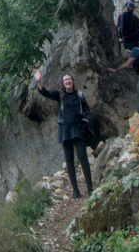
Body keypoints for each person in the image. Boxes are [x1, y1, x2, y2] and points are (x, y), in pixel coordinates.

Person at [32, 68, 93, 199]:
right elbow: (45, 93)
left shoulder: (80, 95)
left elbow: (88, 111)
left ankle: (90, 188)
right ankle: (75, 191)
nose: (67, 82)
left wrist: (88, 123)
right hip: (65, 130)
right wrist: (39, 81)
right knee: (69, 160)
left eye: (69, 79)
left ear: (72, 81)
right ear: (63, 83)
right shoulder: (60, 95)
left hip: (77, 128)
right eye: (65, 80)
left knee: (83, 158)